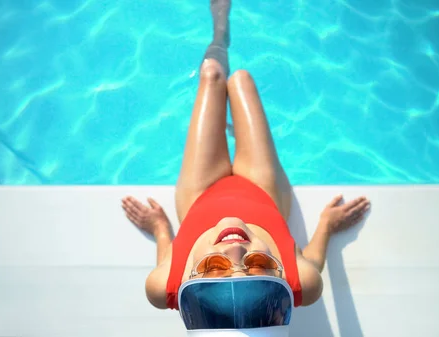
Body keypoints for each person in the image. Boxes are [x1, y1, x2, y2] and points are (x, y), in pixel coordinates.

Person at [121, 0, 371, 331]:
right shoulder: (304, 282)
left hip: (200, 193)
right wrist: (326, 223)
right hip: (262, 187)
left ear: (187, 278)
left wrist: (159, 228)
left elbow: (168, 259)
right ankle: (236, 135)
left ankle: (220, 29)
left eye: (213, 266)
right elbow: (310, 261)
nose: (236, 245)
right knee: (240, 80)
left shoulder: (162, 285)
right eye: (258, 264)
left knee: (212, 75)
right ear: (281, 272)